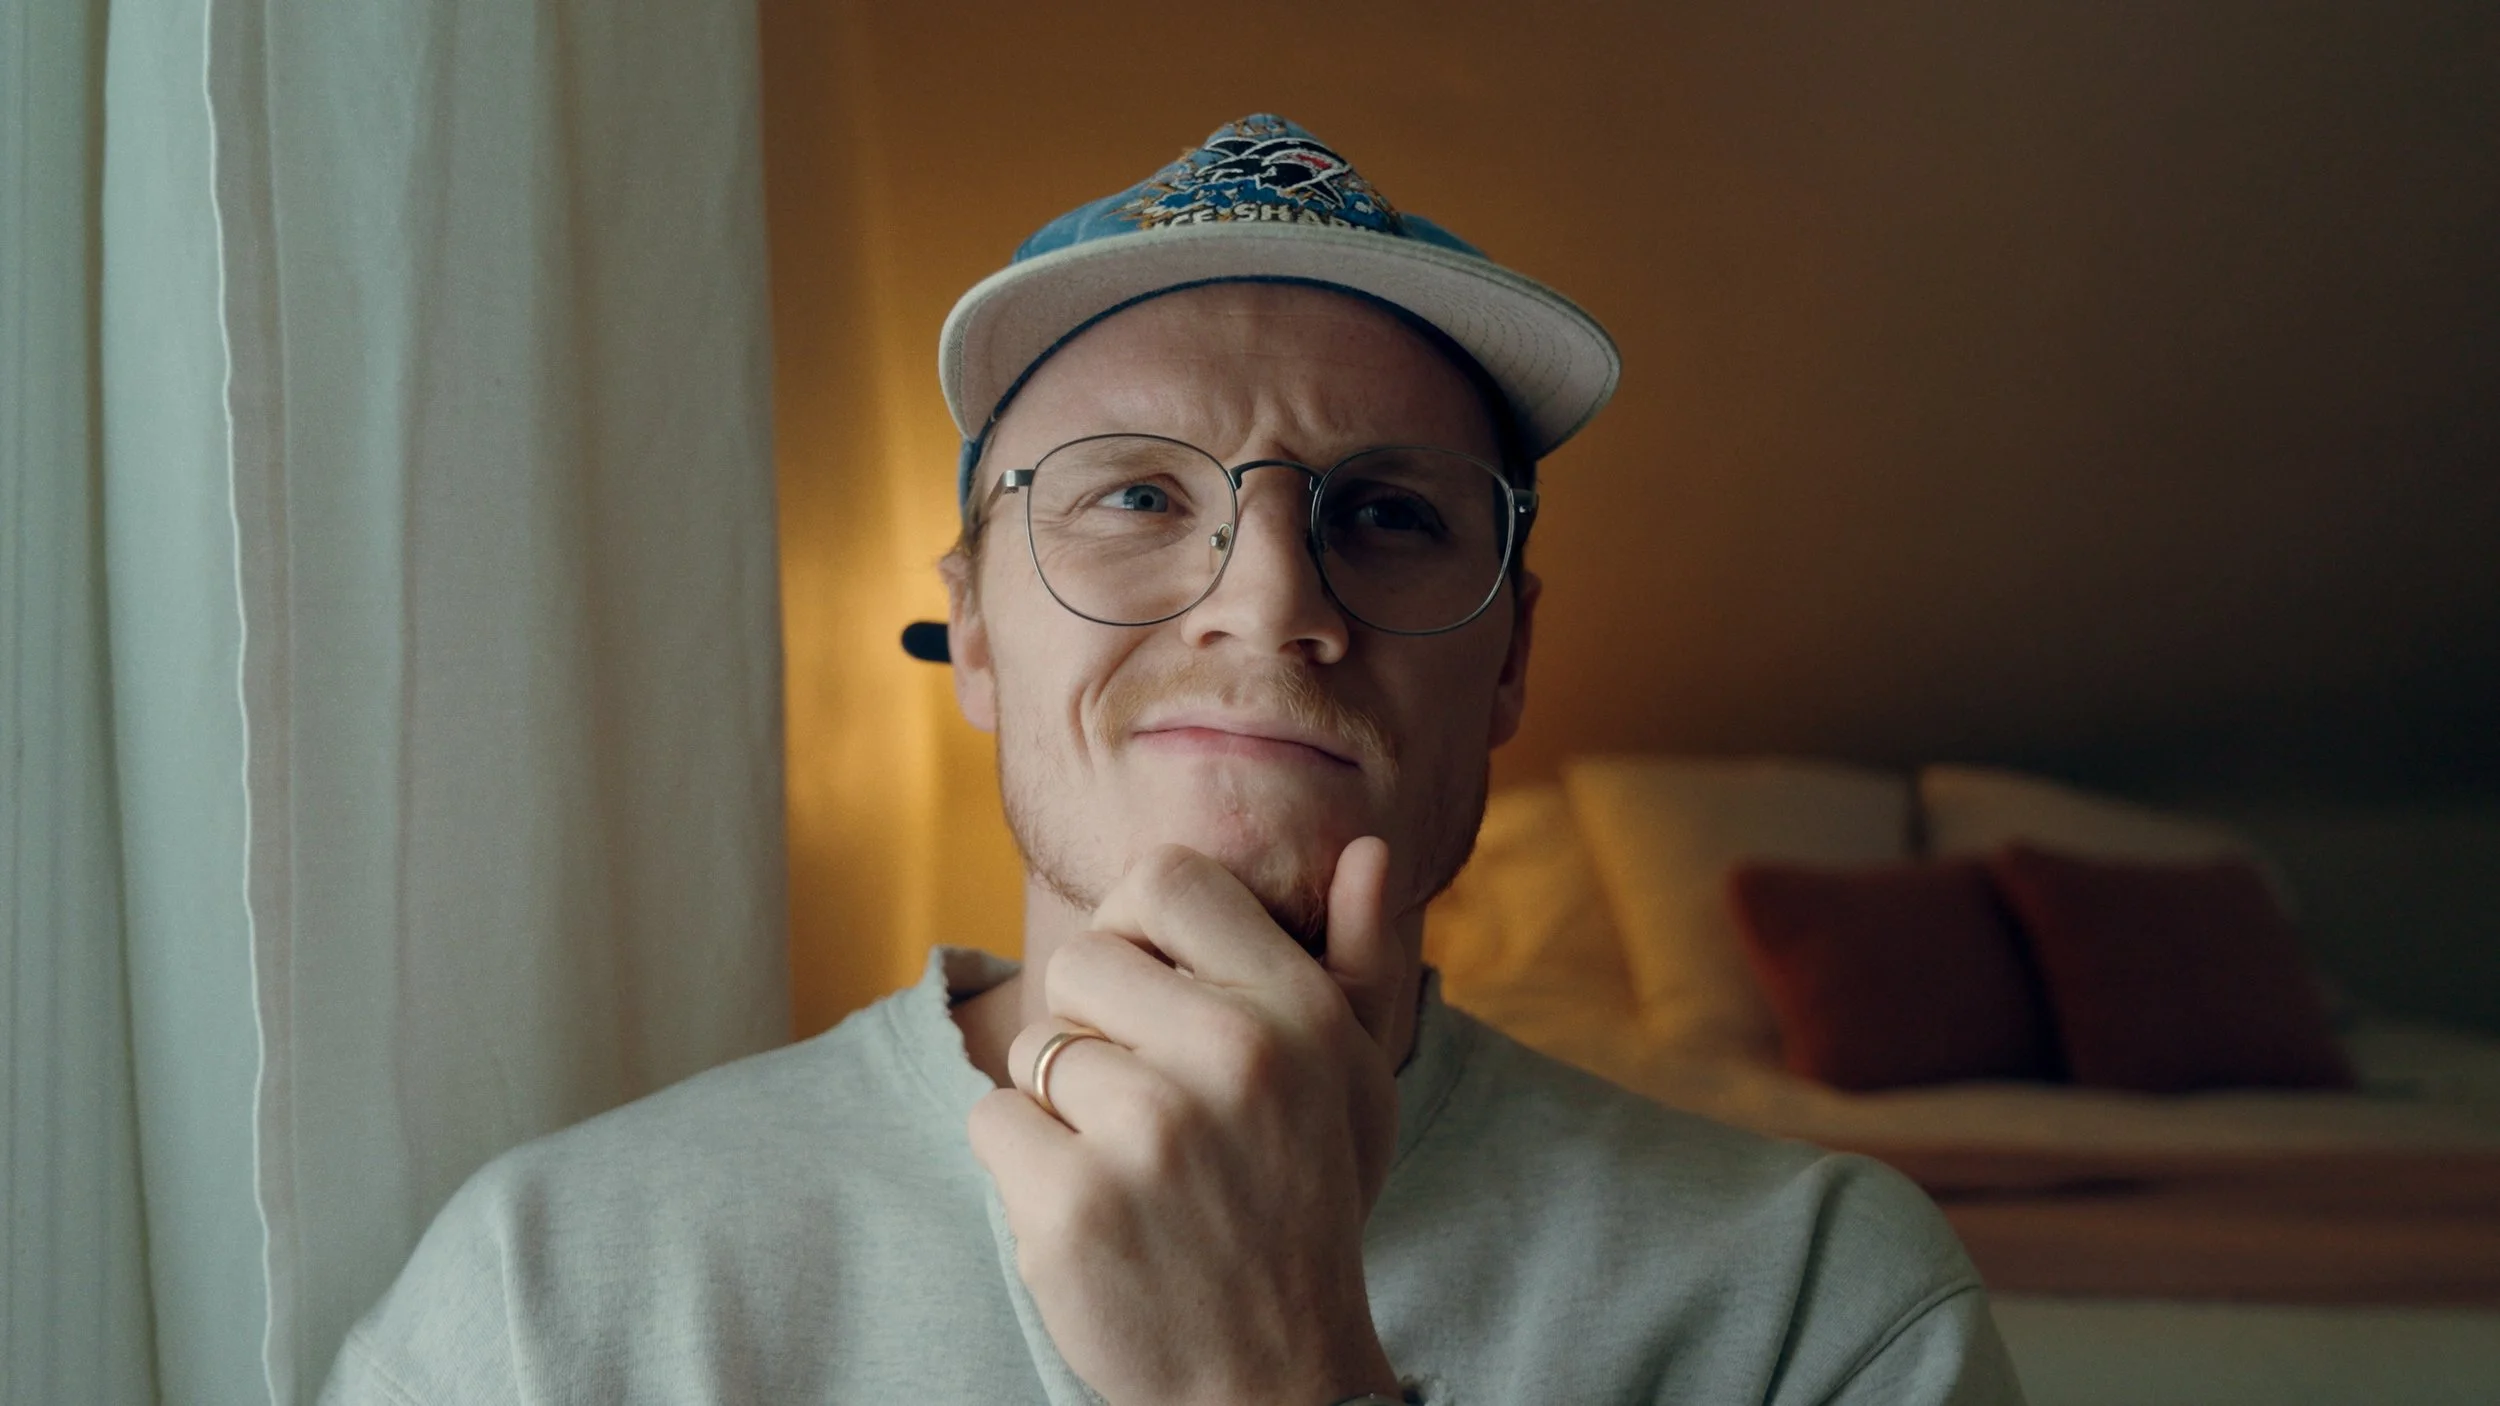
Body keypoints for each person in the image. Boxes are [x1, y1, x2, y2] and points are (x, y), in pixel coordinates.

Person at [322, 114, 2025, 1406]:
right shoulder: (550, 1291)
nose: (1272, 601)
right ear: (973, 631)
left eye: (1389, 512)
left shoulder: (1819, 1310)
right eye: (1137, 493)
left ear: (1509, 657)